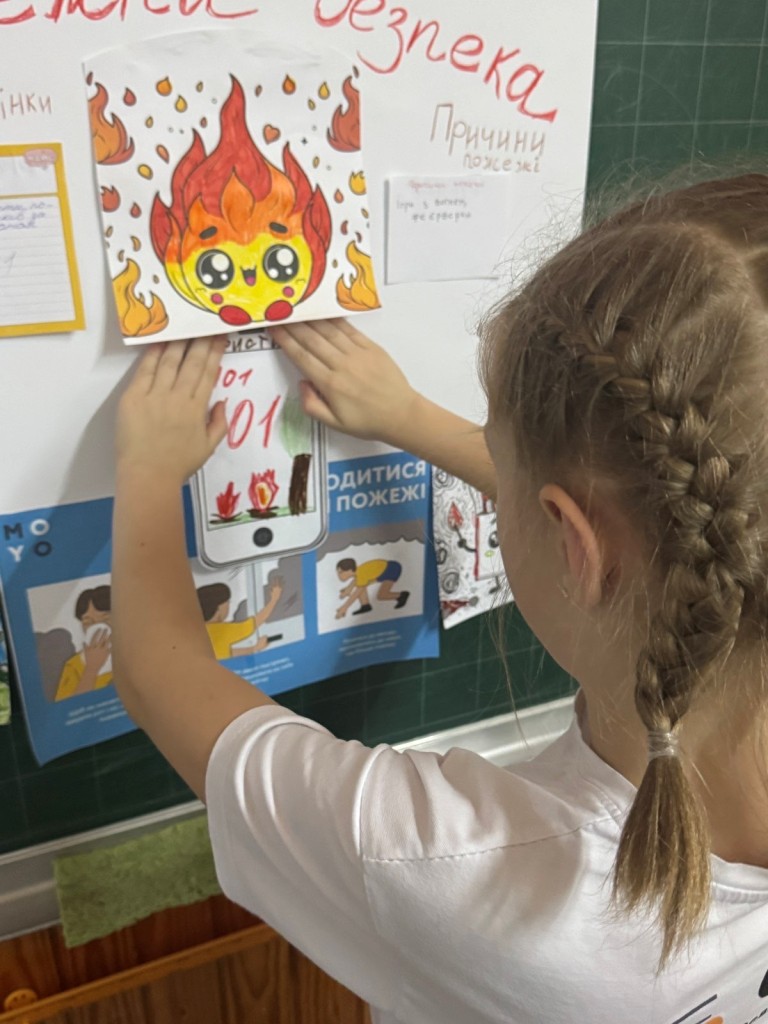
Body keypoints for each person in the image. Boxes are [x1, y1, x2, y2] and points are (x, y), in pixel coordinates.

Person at [112, 174, 768, 1022]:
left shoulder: (448, 867)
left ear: (574, 544)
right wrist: (408, 416)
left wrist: (145, 471)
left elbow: (156, 675)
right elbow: (668, 519)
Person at [196, 579, 283, 658]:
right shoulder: (222, 630)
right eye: (228, 603)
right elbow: (255, 622)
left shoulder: (198, 629)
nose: (229, 606)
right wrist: (274, 599)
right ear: (219, 608)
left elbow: (228, 652)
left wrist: (254, 648)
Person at [55, 585, 113, 701]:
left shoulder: (137, 653)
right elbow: (68, 707)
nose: (99, 628)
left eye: (106, 619)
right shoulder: (75, 666)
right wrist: (91, 668)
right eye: (88, 622)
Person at [335, 557, 409, 618]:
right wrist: (348, 590)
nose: (339, 575)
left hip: (391, 569)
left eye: (341, 572)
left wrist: (344, 607)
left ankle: (402, 595)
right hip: (382, 571)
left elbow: (356, 593)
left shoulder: (361, 573)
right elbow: (355, 581)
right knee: (361, 585)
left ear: (350, 570)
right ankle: (365, 605)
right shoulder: (358, 571)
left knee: (381, 595)